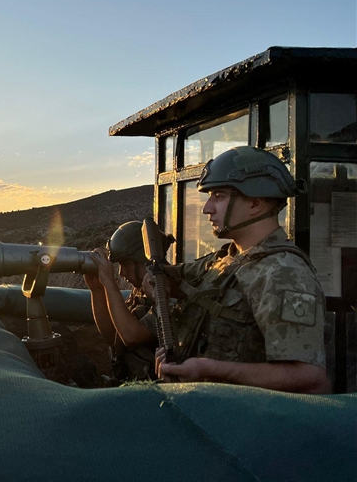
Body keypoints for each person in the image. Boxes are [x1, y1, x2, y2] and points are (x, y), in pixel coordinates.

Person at [151, 146, 330, 394]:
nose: (207, 208)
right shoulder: (227, 259)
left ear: (255, 203)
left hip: (245, 425)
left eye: (219, 196)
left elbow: (310, 379)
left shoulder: (283, 273)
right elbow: (171, 278)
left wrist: (208, 370)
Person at [84, 221, 173, 382]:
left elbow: (132, 336)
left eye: (125, 264)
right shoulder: (140, 292)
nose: (121, 272)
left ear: (142, 260)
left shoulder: (169, 291)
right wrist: (97, 290)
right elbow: (112, 336)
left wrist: (110, 284)